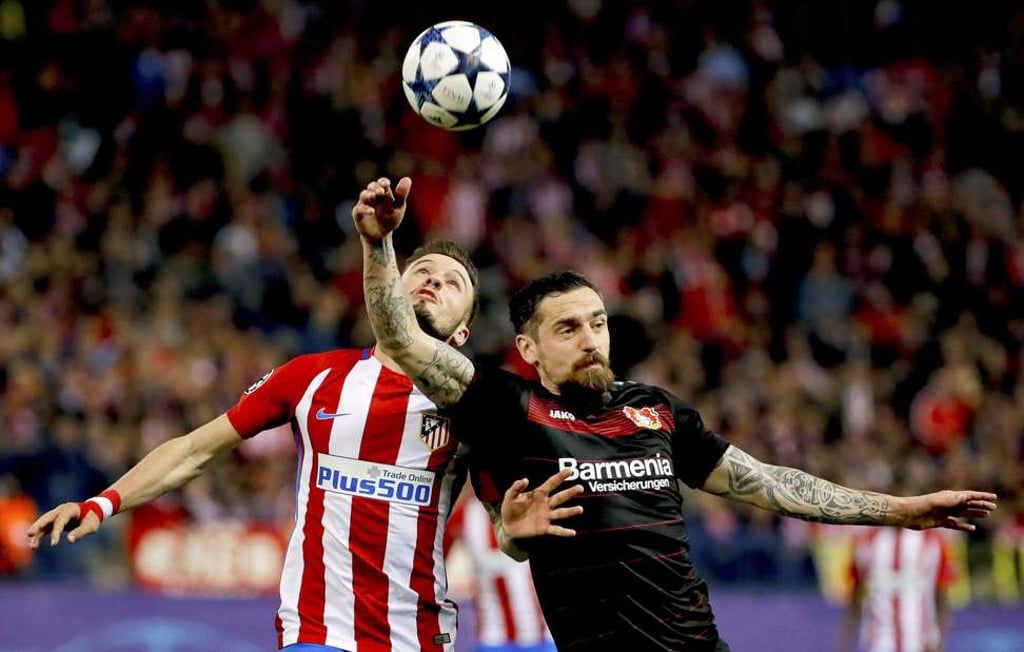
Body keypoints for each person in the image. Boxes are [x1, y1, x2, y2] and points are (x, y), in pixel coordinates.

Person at [352, 175, 999, 652]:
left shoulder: (654, 410)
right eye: (569, 328)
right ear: (528, 348)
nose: (590, 339)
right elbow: (407, 342)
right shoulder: (511, 409)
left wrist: (901, 509)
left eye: (598, 323)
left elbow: (772, 484)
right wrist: (380, 247)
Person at [27, 190, 581, 651]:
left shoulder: (475, 405)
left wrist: (516, 534)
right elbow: (197, 449)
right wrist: (102, 502)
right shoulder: (312, 377)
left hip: (419, 637)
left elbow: (504, 533)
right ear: (392, 286)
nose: (433, 281)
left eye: (452, 282)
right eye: (422, 272)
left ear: (462, 333)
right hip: (317, 633)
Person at [446, 488, 556, 652]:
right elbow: (433, 559)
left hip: (544, 639)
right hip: (493, 640)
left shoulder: (536, 503)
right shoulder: (465, 515)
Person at [836, 526, 957, 652]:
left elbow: (941, 597)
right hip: (879, 642)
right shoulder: (865, 540)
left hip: (921, 643)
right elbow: (855, 599)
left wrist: (939, 642)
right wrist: (844, 645)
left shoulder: (933, 540)